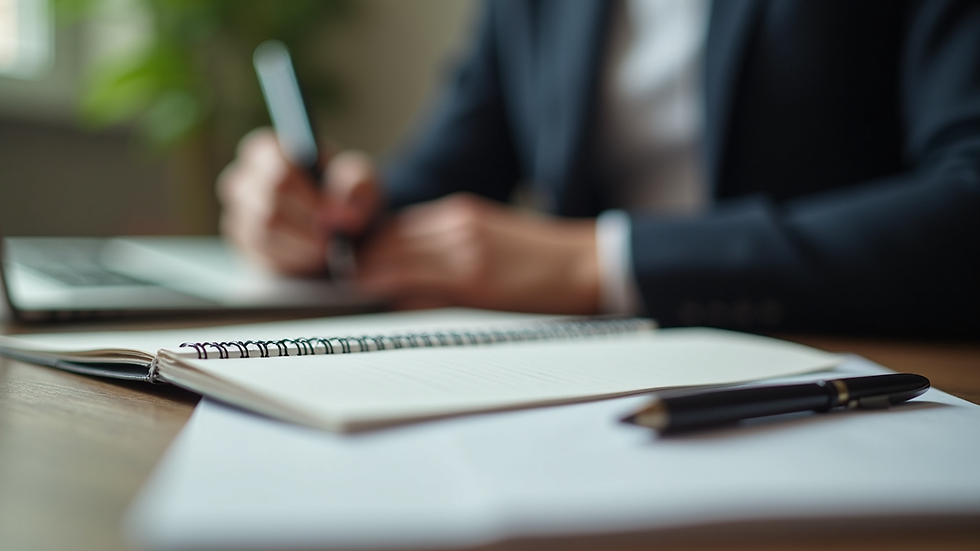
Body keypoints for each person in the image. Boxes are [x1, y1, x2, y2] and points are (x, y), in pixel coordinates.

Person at [218, 0, 980, 338]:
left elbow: (966, 201)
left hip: (858, 369)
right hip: (588, 377)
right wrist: (318, 214)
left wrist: (597, 262)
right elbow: (446, 174)